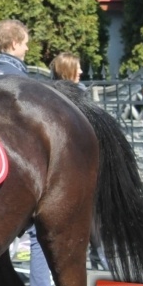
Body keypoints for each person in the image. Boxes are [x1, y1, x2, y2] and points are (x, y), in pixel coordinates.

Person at [0, 20, 63, 286]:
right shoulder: (20, 81)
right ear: (14, 43)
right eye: (25, 42)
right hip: (18, 172)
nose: (27, 48)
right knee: (39, 238)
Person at [49, 52, 109, 272]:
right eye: (77, 67)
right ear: (68, 70)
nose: (81, 71)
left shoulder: (77, 91)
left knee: (91, 208)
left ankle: (97, 251)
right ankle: (92, 252)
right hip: (71, 157)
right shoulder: (57, 94)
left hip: (81, 155)